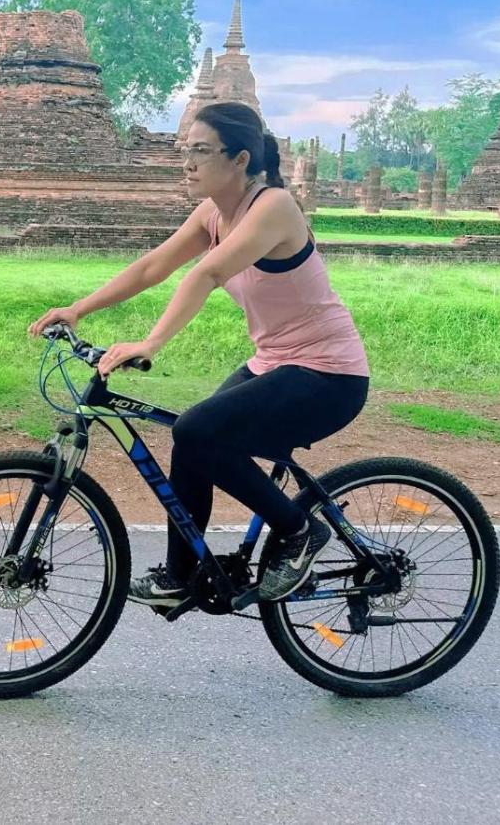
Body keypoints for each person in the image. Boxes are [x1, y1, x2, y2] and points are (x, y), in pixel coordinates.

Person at [29, 101, 369, 605]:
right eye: (185, 150)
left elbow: (207, 273)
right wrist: (78, 309)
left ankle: (299, 530)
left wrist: (150, 343)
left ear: (240, 159)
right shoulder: (213, 213)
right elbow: (153, 266)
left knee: (198, 431)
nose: (187, 163)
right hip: (274, 362)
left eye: (202, 152)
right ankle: (179, 576)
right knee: (190, 439)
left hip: (329, 374)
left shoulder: (274, 207)